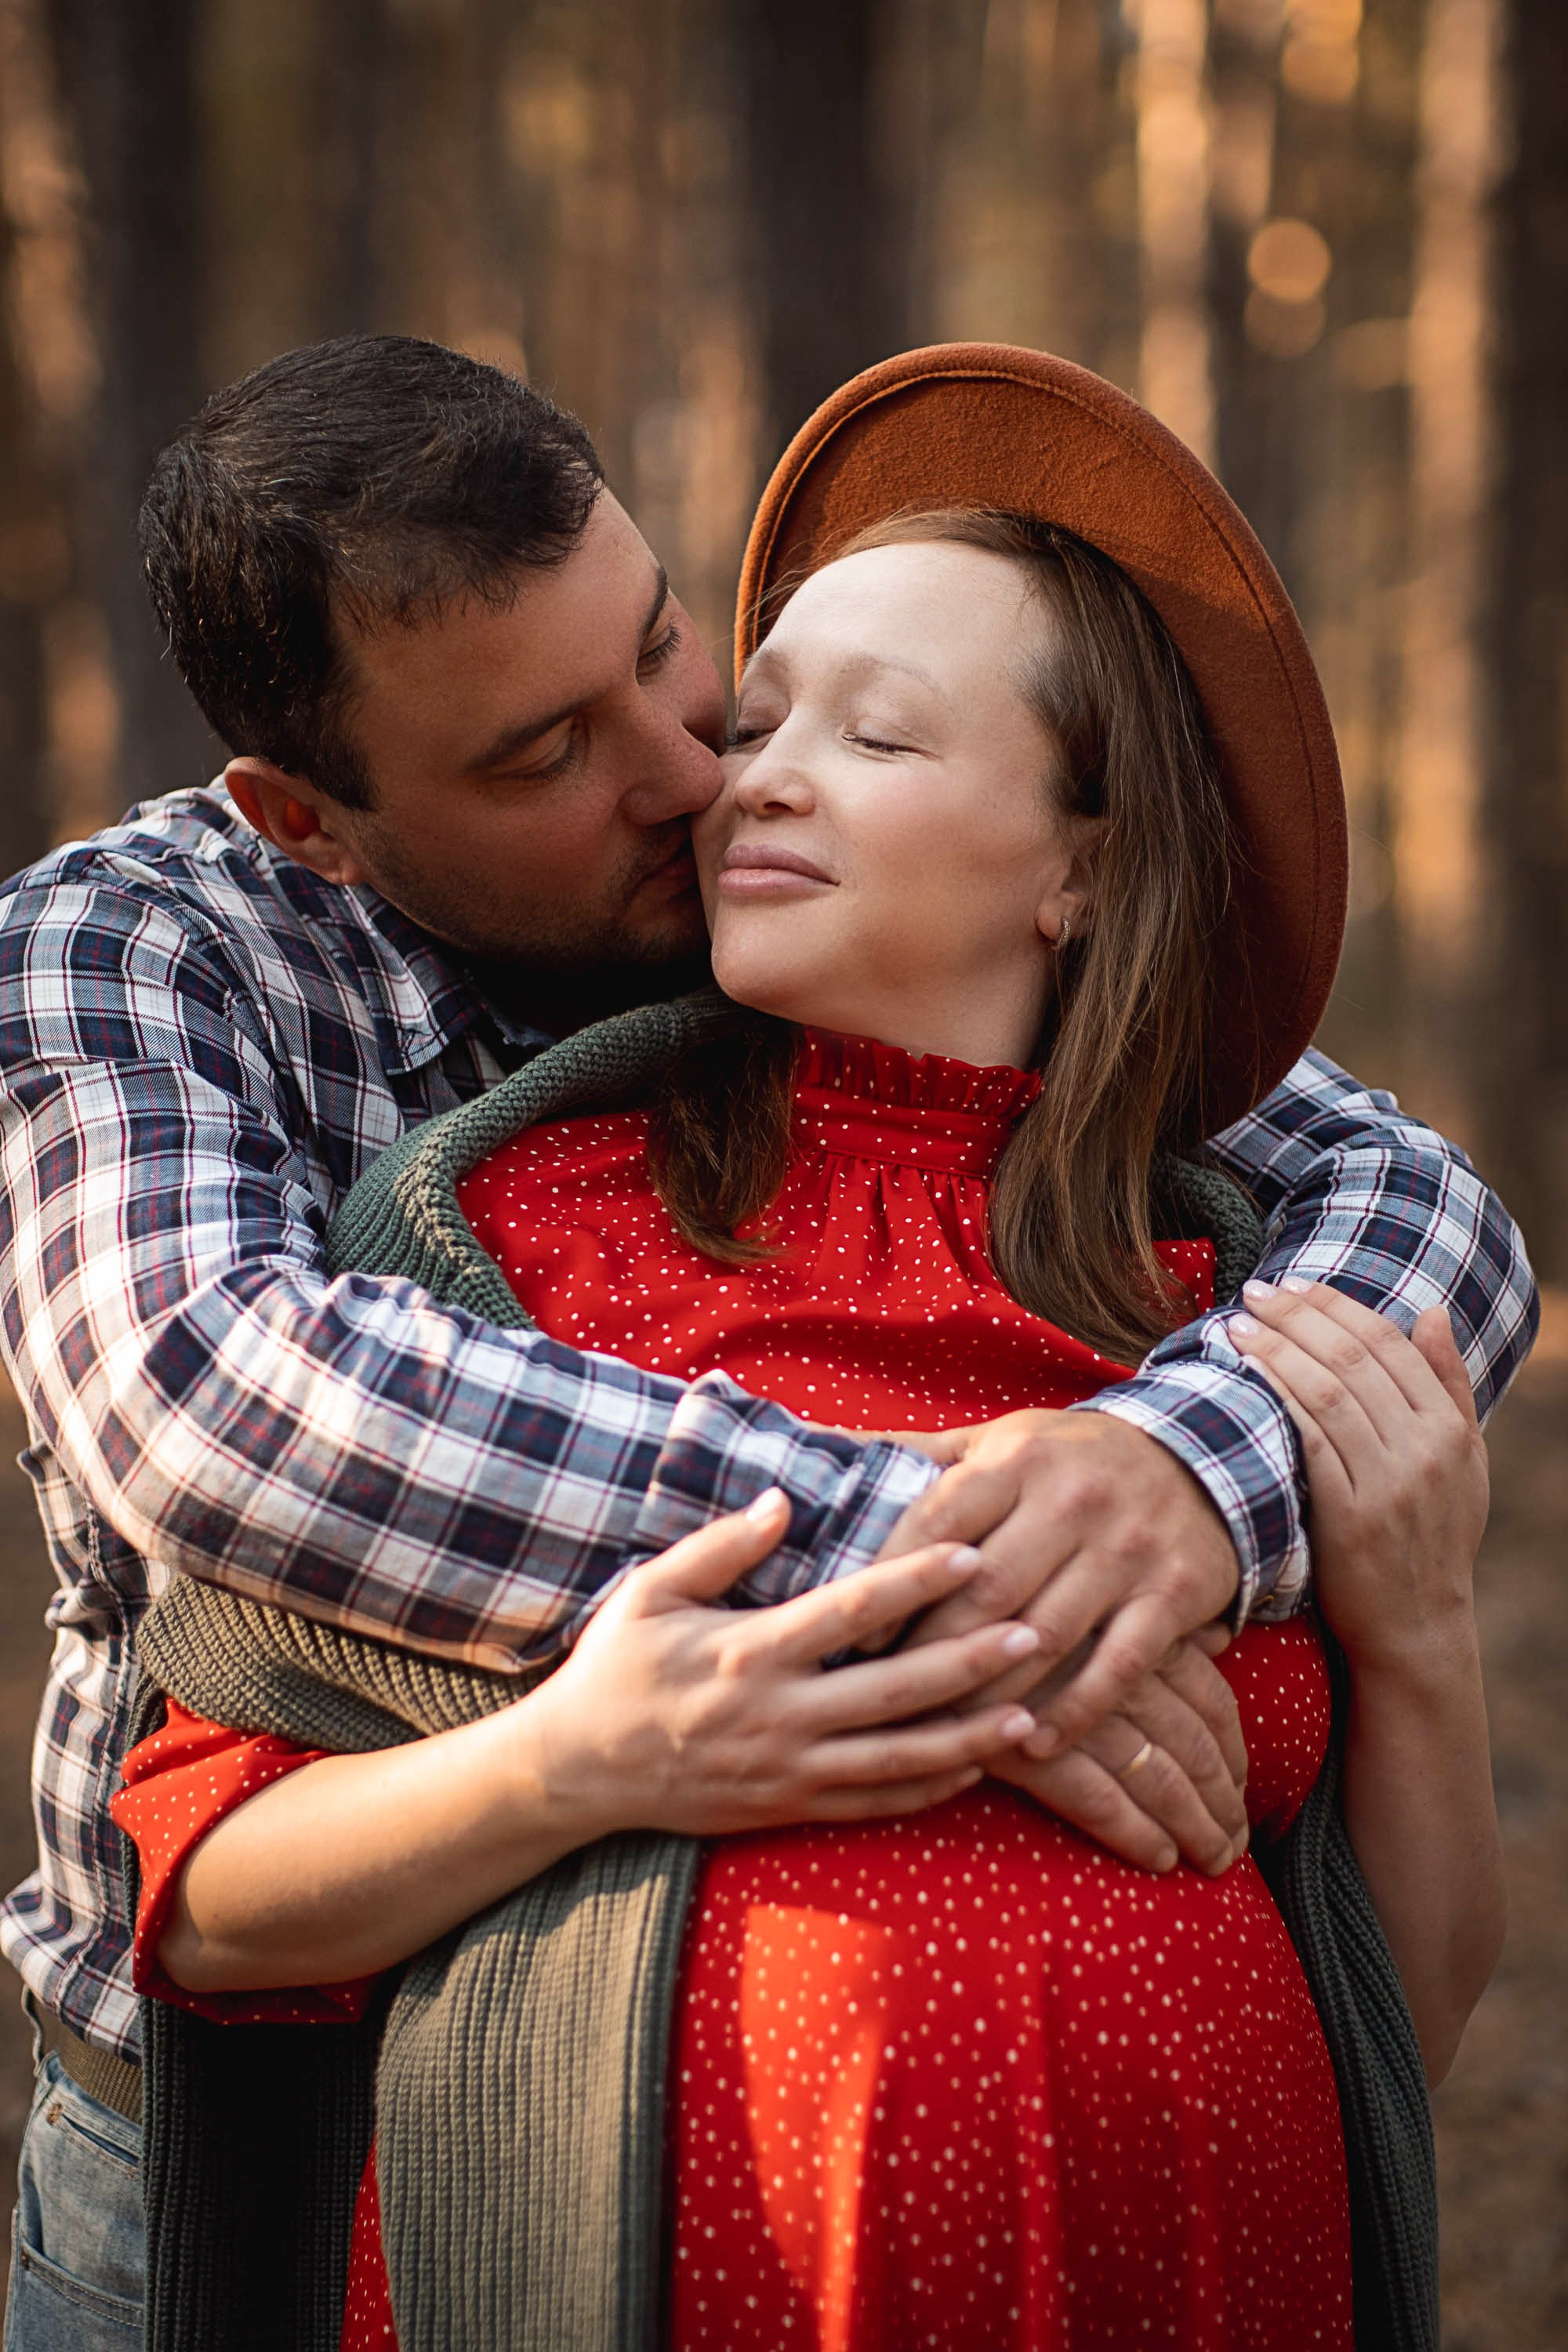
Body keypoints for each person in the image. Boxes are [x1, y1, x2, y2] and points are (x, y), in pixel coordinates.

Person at [0, 337, 1534, 2352]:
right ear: (317, 823)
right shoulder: (158, 964)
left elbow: (1429, 1223)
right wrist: (980, 1605)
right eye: (548, 753)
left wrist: (1179, 1474)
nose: (695, 772)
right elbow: (218, 1409)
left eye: (666, 646)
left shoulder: (1071, 1147)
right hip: (246, 2130)